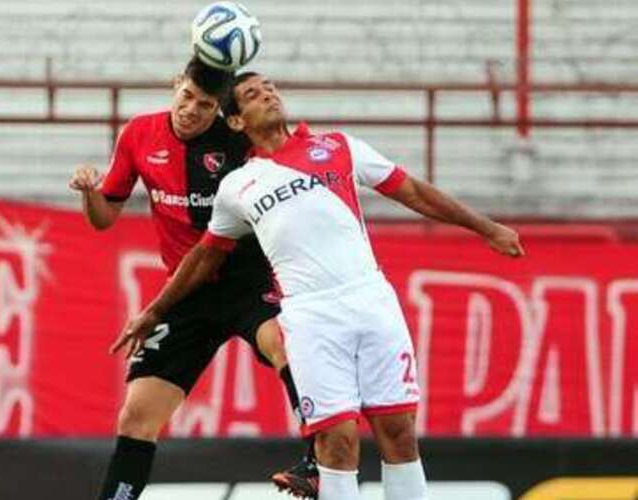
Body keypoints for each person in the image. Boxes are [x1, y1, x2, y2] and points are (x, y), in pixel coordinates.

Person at [112, 71, 525, 500]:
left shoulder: (339, 147)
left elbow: (413, 191)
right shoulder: (237, 187)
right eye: (252, 95)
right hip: (311, 318)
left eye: (270, 87)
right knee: (337, 443)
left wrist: (486, 228)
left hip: (372, 301)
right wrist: (155, 311)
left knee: (399, 434)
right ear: (236, 122)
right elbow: (204, 256)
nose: (268, 95)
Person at [70, 59, 317, 500]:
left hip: (246, 279)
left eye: (205, 105)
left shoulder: (236, 140)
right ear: (175, 87)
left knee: (285, 343)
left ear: (219, 111)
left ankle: (317, 459)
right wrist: (90, 193)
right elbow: (104, 217)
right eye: (186, 97)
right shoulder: (138, 135)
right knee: (137, 414)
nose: (191, 111)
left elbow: (286, 155)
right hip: (186, 291)